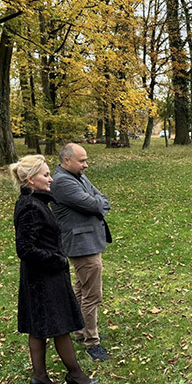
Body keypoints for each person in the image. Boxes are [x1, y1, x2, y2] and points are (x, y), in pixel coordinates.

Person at [9, 155, 98, 384]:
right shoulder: (30, 206)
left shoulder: (34, 202)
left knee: (39, 327)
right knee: (60, 327)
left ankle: (40, 377)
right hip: (45, 278)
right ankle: (76, 375)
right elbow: (25, 248)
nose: (51, 179)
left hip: (40, 277)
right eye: (46, 175)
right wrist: (57, 261)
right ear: (31, 180)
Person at [50, 143, 112, 362]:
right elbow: (95, 205)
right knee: (92, 294)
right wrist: (97, 202)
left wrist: (97, 201)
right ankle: (91, 342)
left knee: (81, 288)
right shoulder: (63, 182)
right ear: (66, 160)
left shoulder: (77, 176)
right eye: (82, 160)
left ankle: (81, 331)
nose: (86, 164)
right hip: (81, 244)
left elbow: (101, 198)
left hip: (88, 241)